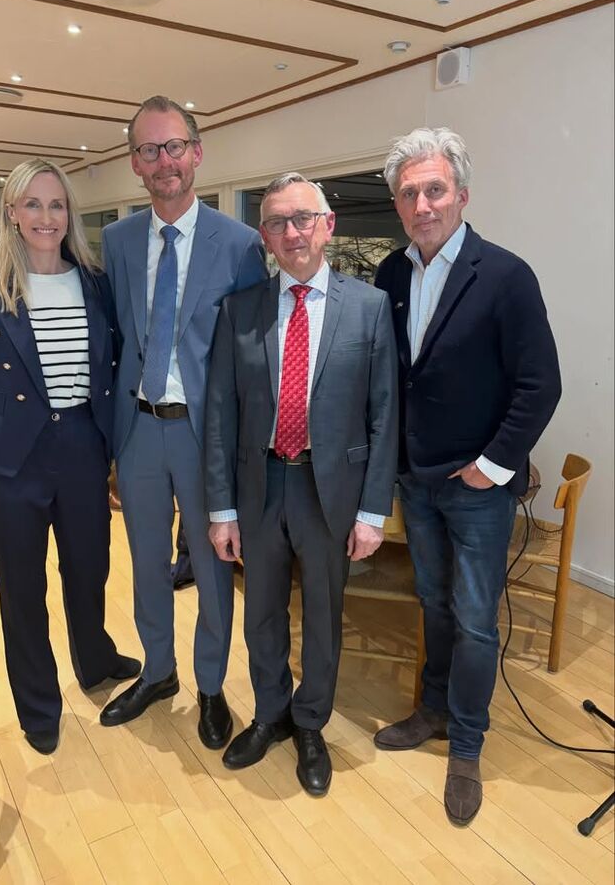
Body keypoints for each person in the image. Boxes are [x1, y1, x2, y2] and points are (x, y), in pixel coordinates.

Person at [373, 128, 561, 825]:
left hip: (477, 487)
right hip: (417, 480)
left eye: (435, 189)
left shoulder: (506, 276)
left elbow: (540, 385)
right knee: (434, 603)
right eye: (409, 193)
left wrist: (494, 465)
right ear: (398, 205)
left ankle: (468, 744)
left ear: (462, 195)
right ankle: (433, 710)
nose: (422, 204)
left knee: (478, 620)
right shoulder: (391, 275)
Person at [205, 173, 398, 795]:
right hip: (259, 487)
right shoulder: (239, 310)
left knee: (323, 612)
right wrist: (221, 509)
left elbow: (384, 415)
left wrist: (373, 511)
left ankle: (311, 722)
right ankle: (271, 713)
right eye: (277, 223)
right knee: (260, 610)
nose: (291, 233)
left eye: (302, 219)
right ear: (264, 236)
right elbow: (220, 414)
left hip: (330, 491)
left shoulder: (368, 308)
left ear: (327, 226)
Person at [0, 158, 140, 756]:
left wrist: (117, 454)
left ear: (69, 214)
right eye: (33, 204)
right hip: (14, 459)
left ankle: (96, 660)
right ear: (12, 212)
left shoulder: (93, 281)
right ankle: (37, 704)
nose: (46, 217)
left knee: (89, 569)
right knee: (22, 588)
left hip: (83, 446)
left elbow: (113, 370)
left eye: (56, 205)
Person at [99, 96, 267, 746]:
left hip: (207, 436)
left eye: (174, 146)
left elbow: (252, 355)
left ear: (196, 153)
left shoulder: (241, 244)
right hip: (139, 430)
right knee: (147, 563)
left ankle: (211, 685)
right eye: (149, 149)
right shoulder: (117, 243)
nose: (163, 160)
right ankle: (158, 671)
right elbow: (113, 340)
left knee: (213, 564)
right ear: (134, 163)